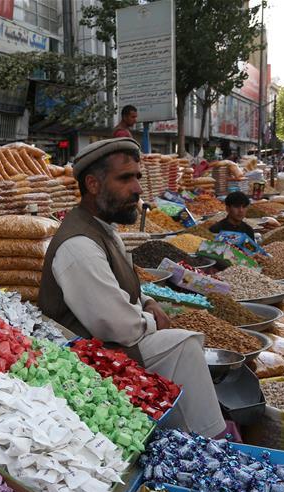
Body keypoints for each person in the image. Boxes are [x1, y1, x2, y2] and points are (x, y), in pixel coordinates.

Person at [38, 138, 226, 438]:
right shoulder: (78, 245)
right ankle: (207, 443)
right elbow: (119, 328)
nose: (138, 188)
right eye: (125, 178)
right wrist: (155, 320)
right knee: (184, 345)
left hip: (108, 349)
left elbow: (121, 285)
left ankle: (191, 437)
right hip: (86, 365)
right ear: (93, 184)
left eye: (138, 176)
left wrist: (148, 300)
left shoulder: (102, 228)